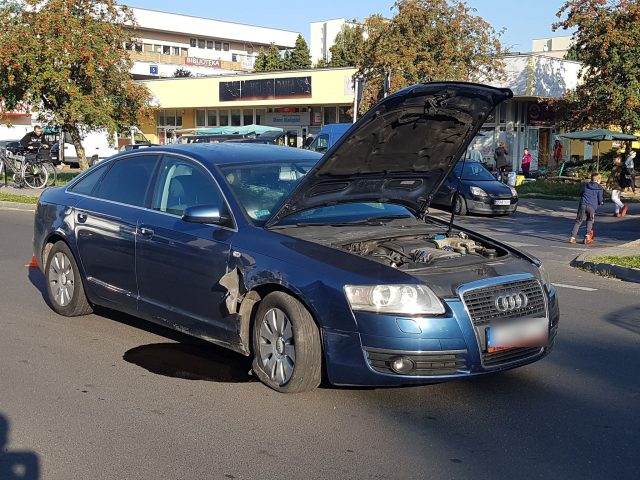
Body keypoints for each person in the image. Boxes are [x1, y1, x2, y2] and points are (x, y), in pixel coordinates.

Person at [570, 172, 604, 245]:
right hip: (592, 206)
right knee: (589, 220)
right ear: (598, 180)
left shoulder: (586, 185)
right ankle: (587, 236)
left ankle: (572, 238)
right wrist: (600, 202)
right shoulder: (599, 188)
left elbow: (581, 193)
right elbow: (600, 199)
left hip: (583, 204)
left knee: (578, 221)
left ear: (591, 179)